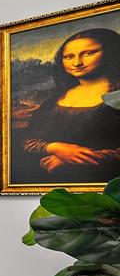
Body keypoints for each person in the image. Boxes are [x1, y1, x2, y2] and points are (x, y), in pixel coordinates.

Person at [18, 28, 120, 184]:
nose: (77, 62)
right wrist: (55, 148)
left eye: (88, 53)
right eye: (69, 56)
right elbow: (28, 140)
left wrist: (75, 159)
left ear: (109, 53)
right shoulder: (56, 98)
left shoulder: (117, 95)